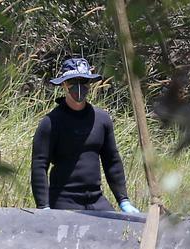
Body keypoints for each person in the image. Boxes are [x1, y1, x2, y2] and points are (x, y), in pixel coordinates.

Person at [31, 57, 139, 213]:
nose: (79, 87)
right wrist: (44, 207)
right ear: (63, 85)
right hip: (63, 200)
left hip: (96, 200)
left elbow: (112, 161)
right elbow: (39, 165)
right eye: (73, 82)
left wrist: (124, 201)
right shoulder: (50, 123)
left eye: (84, 82)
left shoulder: (101, 119)